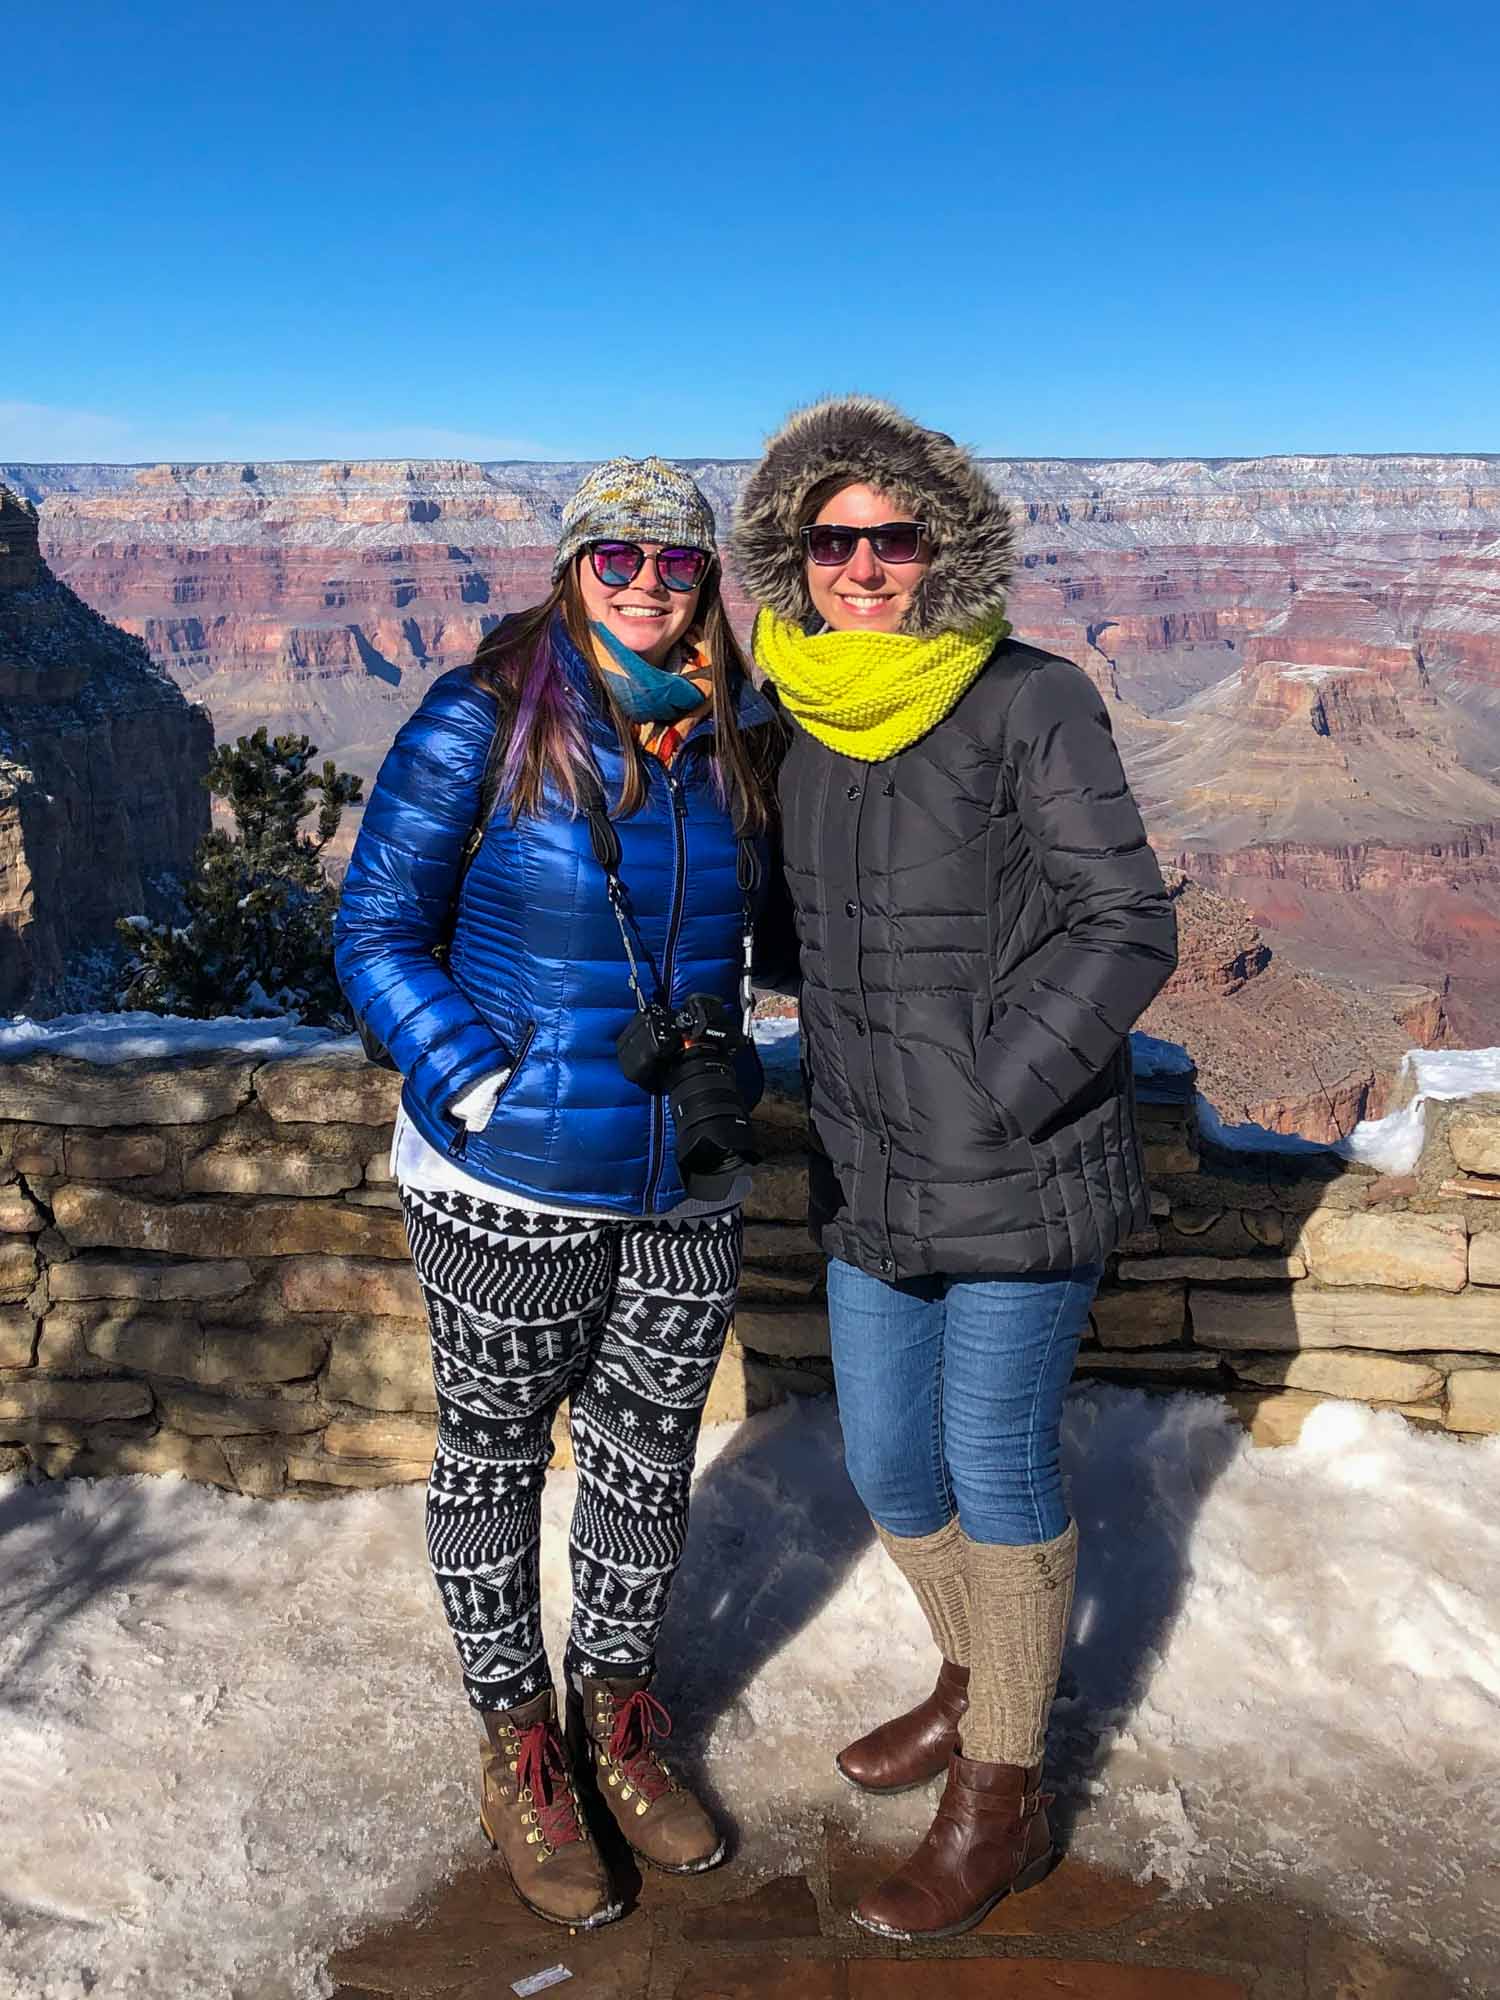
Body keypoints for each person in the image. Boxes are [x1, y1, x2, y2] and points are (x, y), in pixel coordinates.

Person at [733, 397, 1177, 1939]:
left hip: (1012, 1160)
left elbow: (1131, 925)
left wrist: (998, 1093)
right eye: (831, 538)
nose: (863, 564)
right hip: (866, 1162)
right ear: (795, 557)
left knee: (996, 1469)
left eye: (892, 535)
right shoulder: (796, 714)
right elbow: (786, 928)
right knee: (888, 1466)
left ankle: (1004, 1793)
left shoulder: (1028, 697)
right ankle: (980, 1670)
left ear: (944, 547)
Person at [335, 458, 784, 1931]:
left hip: (682, 1184)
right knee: (495, 1459)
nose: (652, 583)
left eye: (680, 564)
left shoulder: (726, 735)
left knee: (650, 1458)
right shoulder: (483, 718)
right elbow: (378, 930)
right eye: (621, 560)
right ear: (571, 569)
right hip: (509, 1182)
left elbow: (772, 930)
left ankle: (619, 1715)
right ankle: (518, 1743)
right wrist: (476, 1084)